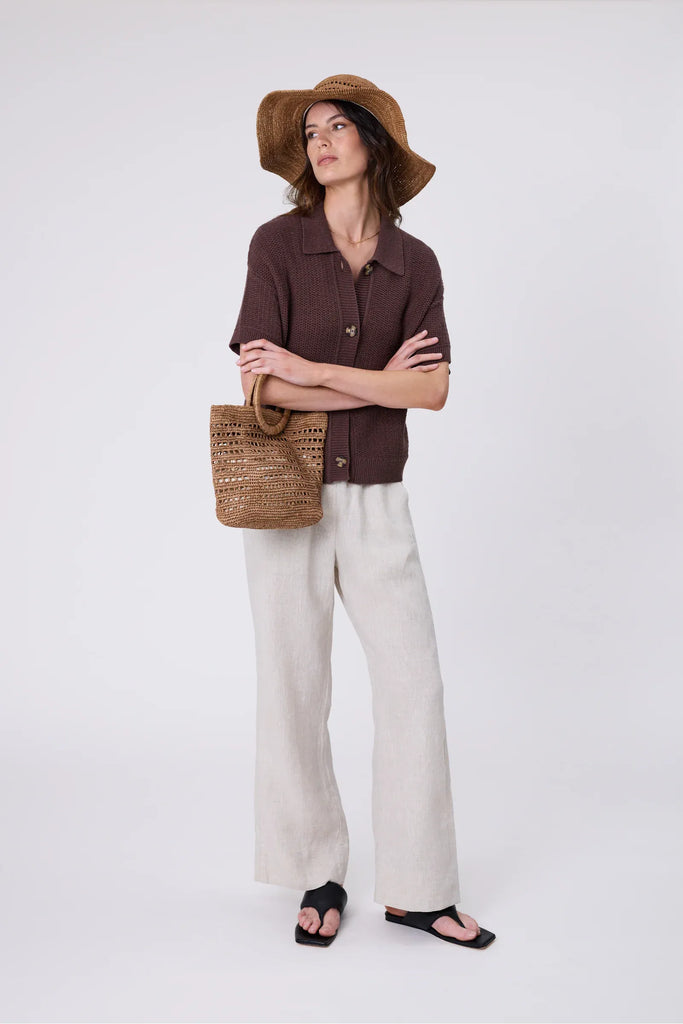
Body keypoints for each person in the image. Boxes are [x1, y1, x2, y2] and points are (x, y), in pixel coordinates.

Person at [228, 75, 496, 949]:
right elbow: (262, 384)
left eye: (339, 125)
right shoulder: (276, 244)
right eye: (310, 131)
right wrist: (376, 383)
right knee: (293, 688)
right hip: (285, 498)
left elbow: (435, 392)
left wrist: (324, 374)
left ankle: (419, 888)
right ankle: (318, 870)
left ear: (375, 143)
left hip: (378, 494)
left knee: (413, 685)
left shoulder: (416, 265)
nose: (321, 140)